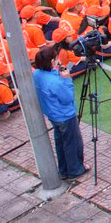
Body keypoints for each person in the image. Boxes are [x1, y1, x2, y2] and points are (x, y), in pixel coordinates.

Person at [32, 47, 86, 181]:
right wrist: (67, 79)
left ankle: (64, 170)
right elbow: (67, 98)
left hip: (53, 114)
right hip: (65, 115)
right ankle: (75, 170)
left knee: (61, 142)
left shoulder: (37, 74)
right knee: (72, 143)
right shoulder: (55, 82)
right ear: (51, 61)